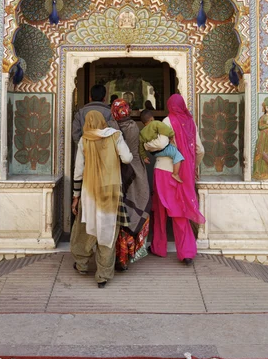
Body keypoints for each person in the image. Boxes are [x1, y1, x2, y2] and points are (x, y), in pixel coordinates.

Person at [71, 110, 133, 288]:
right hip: (111, 190)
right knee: (108, 230)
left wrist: (75, 197)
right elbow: (127, 159)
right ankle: (103, 275)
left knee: (85, 228)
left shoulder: (85, 139)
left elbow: (78, 171)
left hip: (89, 191)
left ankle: (82, 265)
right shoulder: (116, 136)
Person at [149, 94, 205, 265]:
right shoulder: (190, 122)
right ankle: (186, 252)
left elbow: (160, 144)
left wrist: (146, 145)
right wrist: (193, 166)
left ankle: (159, 247)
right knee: (180, 210)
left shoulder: (168, 120)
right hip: (183, 171)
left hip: (164, 171)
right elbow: (199, 149)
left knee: (160, 209)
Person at [111, 99, 151, 271]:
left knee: (121, 215)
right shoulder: (134, 126)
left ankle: (121, 257)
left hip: (122, 172)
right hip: (137, 172)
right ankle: (128, 255)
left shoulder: (113, 129)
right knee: (133, 211)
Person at [139, 109, 184, 183]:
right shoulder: (155, 123)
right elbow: (165, 129)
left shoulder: (142, 132)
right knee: (177, 155)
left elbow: (141, 146)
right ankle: (175, 174)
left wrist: (144, 157)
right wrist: (171, 135)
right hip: (164, 150)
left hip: (155, 153)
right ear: (152, 118)